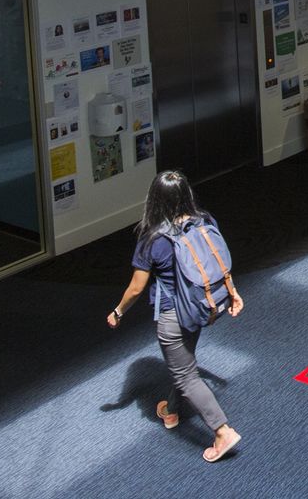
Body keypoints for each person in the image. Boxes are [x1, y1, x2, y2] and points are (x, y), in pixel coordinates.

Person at [107, 170, 245, 462]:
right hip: (200, 307)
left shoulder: (153, 237)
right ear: (187, 194)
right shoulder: (205, 220)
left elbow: (136, 288)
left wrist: (118, 311)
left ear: (154, 199)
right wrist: (233, 293)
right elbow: (218, 264)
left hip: (172, 314)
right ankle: (171, 411)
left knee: (185, 374)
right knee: (185, 362)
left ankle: (222, 431)